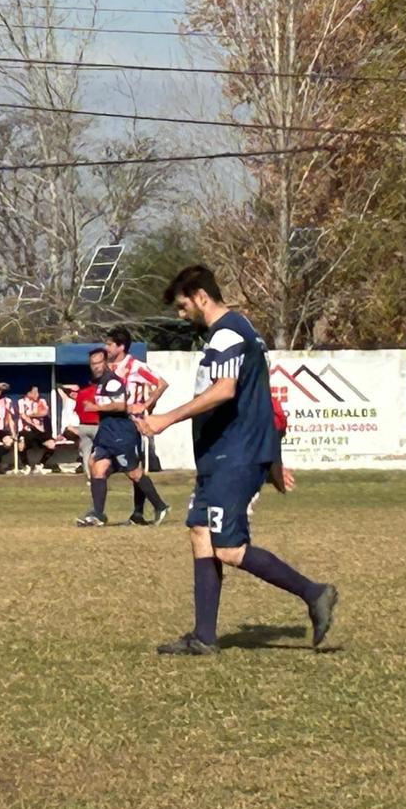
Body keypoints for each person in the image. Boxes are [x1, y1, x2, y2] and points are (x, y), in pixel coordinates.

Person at [137, 265, 337, 655]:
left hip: (235, 455)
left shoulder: (228, 333)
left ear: (200, 297)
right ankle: (204, 637)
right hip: (222, 456)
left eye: (183, 306)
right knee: (200, 533)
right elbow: (263, 402)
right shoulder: (239, 332)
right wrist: (274, 460)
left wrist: (165, 418)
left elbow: (224, 390)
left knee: (228, 547)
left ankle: (314, 592)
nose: (182, 315)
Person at [76, 329, 171, 527]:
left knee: (133, 470)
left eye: (110, 344)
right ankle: (98, 514)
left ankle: (145, 510)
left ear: (121, 347)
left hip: (128, 425)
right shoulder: (107, 368)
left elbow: (161, 384)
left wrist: (145, 406)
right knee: (97, 465)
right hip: (109, 425)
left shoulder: (135, 366)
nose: (106, 347)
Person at [58, 347, 107, 476]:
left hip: (84, 426)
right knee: (100, 451)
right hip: (95, 425)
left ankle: (90, 476)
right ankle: (99, 474)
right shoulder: (97, 392)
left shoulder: (82, 394)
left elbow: (79, 409)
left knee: (86, 452)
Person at [17, 385, 58, 473]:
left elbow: (44, 412)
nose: (37, 394)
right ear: (28, 393)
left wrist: (31, 414)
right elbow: (23, 416)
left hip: (40, 431)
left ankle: (40, 465)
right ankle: (26, 465)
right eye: (34, 392)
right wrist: (33, 424)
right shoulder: (21, 402)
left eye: (37, 392)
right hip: (26, 430)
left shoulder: (41, 401)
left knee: (51, 445)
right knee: (21, 445)